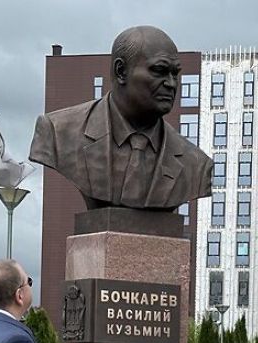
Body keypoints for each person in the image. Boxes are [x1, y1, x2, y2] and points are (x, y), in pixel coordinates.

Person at [29, 26, 212, 211]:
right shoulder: (56, 132)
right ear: (121, 71)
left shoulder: (196, 165)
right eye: (159, 70)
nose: (171, 83)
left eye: (175, 73)